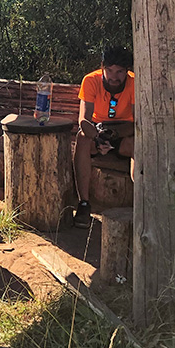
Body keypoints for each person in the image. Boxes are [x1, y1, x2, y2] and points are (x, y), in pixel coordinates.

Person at [73, 46, 134, 228]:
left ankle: (142, 202)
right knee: (82, 139)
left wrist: (115, 134)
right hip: (97, 131)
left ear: (127, 71)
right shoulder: (90, 81)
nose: (114, 77)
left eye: (120, 72)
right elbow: (84, 120)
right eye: (109, 70)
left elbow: (138, 122)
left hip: (124, 131)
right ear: (102, 68)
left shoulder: (135, 83)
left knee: (140, 144)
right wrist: (98, 138)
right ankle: (83, 203)